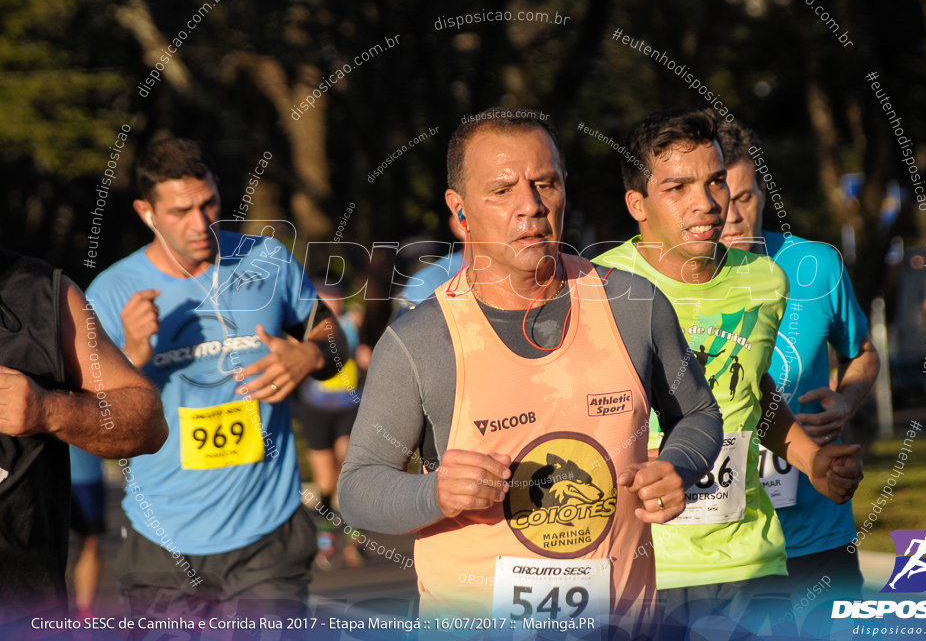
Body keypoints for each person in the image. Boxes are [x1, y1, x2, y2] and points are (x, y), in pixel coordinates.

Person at [338, 108, 724, 636]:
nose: (531, 206)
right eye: (502, 190)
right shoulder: (420, 341)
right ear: (460, 210)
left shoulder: (633, 304)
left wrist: (678, 465)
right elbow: (358, 490)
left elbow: (698, 413)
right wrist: (433, 495)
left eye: (546, 183)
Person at [592, 108, 864, 639]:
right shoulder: (600, 287)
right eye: (677, 186)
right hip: (644, 563)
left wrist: (812, 460)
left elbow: (750, 394)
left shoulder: (765, 281)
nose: (708, 203)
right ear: (637, 204)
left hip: (750, 559)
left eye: (715, 180)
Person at [86, 138, 345, 625]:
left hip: (266, 537)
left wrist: (310, 354)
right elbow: (93, 420)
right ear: (147, 212)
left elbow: (333, 338)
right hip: (163, 539)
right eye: (181, 211)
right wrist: (135, 356)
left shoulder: (266, 258)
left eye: (208, 204)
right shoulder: (111, 292)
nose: (200, 223)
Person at [716, 121, 880, 623]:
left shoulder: (816, 264)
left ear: (763, 193)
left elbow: (863, 351)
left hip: (816, 531)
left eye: (745, 197)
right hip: (718, 543)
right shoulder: (662, 283)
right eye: (721, 201)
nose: (734, 216)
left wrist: (846, 399)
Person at [0, 249, 165, 625]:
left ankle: (86, 613)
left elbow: (147, 422)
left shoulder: (42, 295)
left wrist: (46, 411)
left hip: (24, 612)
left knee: (90, 535)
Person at [293, 284, 370, 569]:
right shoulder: (304, 327)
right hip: (316, 409)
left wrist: (365, 355)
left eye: (337, 299)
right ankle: (326, 540)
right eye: (326, 300)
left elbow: (366, 352)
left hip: (349, 407)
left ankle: (356, 538)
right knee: (325, 479)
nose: (332, 304)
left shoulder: (352, 323)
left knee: (348, 466)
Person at [69, 446, 108, 620]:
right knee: (36, 541)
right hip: (39, 475)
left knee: (89, 542)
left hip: (86, 475)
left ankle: (84, 611)